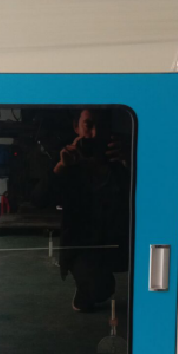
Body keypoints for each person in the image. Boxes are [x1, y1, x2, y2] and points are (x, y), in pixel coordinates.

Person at [33, 109, 130, 312]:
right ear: (76, 127)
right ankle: (85, 287)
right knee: (98, 288)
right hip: (85, 243)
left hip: (122, 237)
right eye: (89, 125)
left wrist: (131, 162)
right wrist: (61, 167)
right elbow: (38, 200)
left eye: (102, 127)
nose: (95, 134)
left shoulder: (121, 155)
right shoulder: (67, 156)